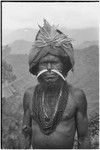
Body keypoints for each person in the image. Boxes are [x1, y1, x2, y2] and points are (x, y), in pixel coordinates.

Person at [22, 19, 90, 149]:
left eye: (54, 63)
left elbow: (84, 137)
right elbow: (25, 135)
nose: (48, 68)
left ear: (63, 66)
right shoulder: (29, 95)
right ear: (37, 66)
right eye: (44, 63)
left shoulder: (76, 96)